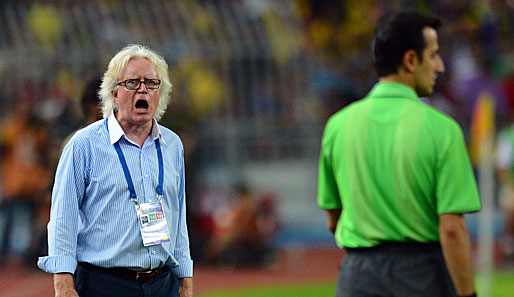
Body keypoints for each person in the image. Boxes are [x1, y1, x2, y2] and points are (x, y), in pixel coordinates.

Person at [317, 11, 481, 297]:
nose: (440, 66)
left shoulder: (337, 126)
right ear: (410, 60)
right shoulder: (442, 130)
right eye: (433, 55)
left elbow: (333, 216)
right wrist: (468, 294)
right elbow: (452, 229)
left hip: (357, 275)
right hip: (421, 275)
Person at [37, 44, 193, 297]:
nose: (143, 89)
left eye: (152, 83)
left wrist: (185, 278)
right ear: (114, 92)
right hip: (104, 284)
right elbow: (63, 218)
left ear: (160, 93)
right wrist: (63, 284)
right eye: (133, 82)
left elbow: (178, 216)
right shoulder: (83, 145)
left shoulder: (172, 145)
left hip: (162, 283)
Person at [495, 120, 514, 258]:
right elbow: (502, 168)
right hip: (511, 185)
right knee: (511, 203)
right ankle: (510, 241)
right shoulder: (508, 136)